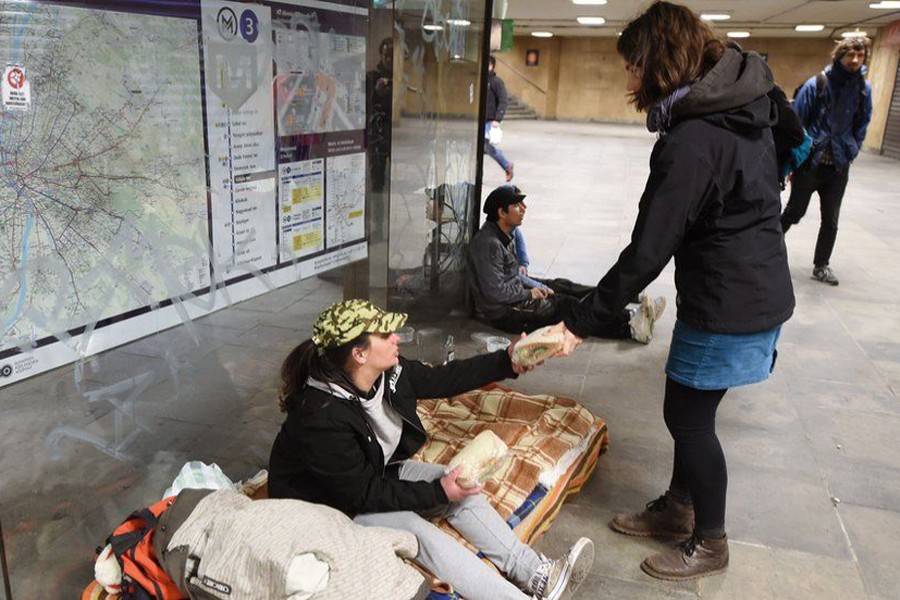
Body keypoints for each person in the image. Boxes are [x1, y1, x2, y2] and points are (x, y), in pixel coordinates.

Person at [559, 1, 795, 581]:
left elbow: (647, 249)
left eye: (632, 66)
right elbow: (794, 141)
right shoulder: (745, 101)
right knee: (692, 408)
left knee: (688, 417)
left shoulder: (693, 139)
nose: (628, 79)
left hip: (731, 298)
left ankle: (709, 541)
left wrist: (582, 320)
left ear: (659, 63)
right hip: (747, 285)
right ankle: (679, 506)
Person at [268, 299, 594, 600]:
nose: (396, 337)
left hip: (373, 472)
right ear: (359, 354)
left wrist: (508, 360)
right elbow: (360, 495)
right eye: (385, 334)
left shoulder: (387, 372)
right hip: (325, 505)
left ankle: (536, 574)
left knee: (458, 482)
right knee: (416, 530)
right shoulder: (321, 416)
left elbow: (442, 379)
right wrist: (437, 493)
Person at [468, 184, 665, 341]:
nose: (524, 209)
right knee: (565, 306)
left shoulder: (503, 232)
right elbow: (494, 292)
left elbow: (513, 275)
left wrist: (539, 286)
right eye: (517, 205)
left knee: (564, 286)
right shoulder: (489, 244)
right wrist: (530, 293)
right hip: (504, 312)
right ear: (501, 213)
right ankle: (630, 326)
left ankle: (630, 304)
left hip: (513, 291)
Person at [780, 35, 873, 286]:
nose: (854, 60)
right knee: (794, 212)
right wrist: (792, 161)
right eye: (850, 55)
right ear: (839, 55)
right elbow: (796, 125)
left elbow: (862, 123)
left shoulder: (864, 89)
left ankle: (821, 265)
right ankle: (763, 251)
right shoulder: (817, 84)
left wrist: (852, 149)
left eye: (860, 55)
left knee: (830, 220)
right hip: (811, 164)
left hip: (838, 166)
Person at [485, 56, 514, 182]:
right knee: (483, 148)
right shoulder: (481, 80)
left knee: (486, 147)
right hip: (480, 120)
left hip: (491, 121)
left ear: (491, 66)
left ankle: (506, 164)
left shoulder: (496, 82)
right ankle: (506, 165)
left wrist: (498, 119)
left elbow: (503, 101)